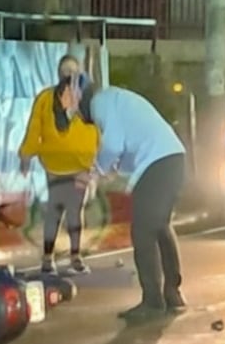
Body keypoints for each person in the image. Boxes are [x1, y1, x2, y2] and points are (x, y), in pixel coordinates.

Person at [62, 83, 187, 323]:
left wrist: (95, 171)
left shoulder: (101, 102)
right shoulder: (118, 100)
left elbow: (112, 146)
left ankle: (153, 303)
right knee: (160, 226)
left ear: (83, 101)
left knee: (142, 231)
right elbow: (128, 148)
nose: (81, 118)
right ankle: (172, 295)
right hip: (173, 159)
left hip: (159, 164)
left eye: (77, 112)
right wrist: (110, 170)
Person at [18, 55, 99, 276]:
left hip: (81, 165)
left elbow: (100, 128)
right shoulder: (46, 98)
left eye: (72, 71)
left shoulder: (88, 100)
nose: (68, 75)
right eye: (64, 71)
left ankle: (75, 256)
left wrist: (101, 160)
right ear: (57, 73)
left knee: (75, 212)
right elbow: (34, 128)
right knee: (54, 211)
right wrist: (26, 155)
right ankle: (47, 257)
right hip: (55, 166)